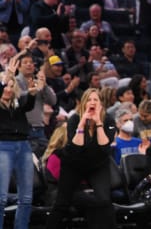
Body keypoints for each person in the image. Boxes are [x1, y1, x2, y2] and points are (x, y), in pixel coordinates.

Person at [45, 88, 117, 229]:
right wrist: (82, 123)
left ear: (101, 104)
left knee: (104, 200)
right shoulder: (75, 119)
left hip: (97, 164)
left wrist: (98, 123)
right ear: (84, 103)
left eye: (96, 100)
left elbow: (105, 146)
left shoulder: (108, 119)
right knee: (62, 204)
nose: (92, 102)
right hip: (73, 164)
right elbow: (76, 147)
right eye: (89, 100)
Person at [0, 52, 43, 229]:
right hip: (3, 147)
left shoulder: (17, 105)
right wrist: (8, 75)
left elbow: (28, 104)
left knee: (26, 198)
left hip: (23, 146)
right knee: (1, 198)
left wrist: (32, 93)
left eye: (12, 86)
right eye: (6, 86)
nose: (9, 89)